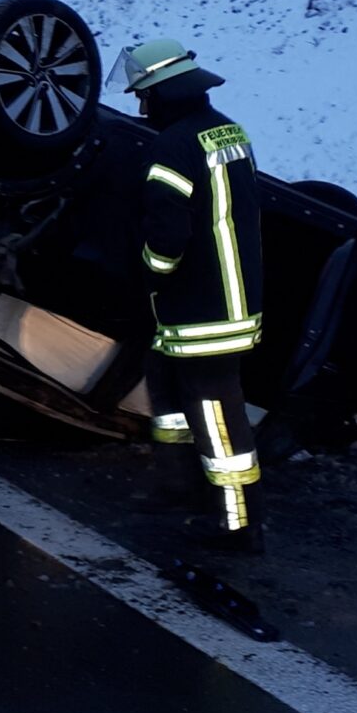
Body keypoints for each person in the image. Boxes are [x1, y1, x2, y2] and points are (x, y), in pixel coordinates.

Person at [122, 35, 266, 553]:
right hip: (231, 298)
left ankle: (237, 525)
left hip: (201, 309)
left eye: (144, 96)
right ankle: (178, 485)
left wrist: (149, 273)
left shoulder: (172, 146)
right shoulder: (226, 130)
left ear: (161, 93)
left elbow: (168, 236)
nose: (142, 108)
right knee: (166, 389)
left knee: (216, 416)